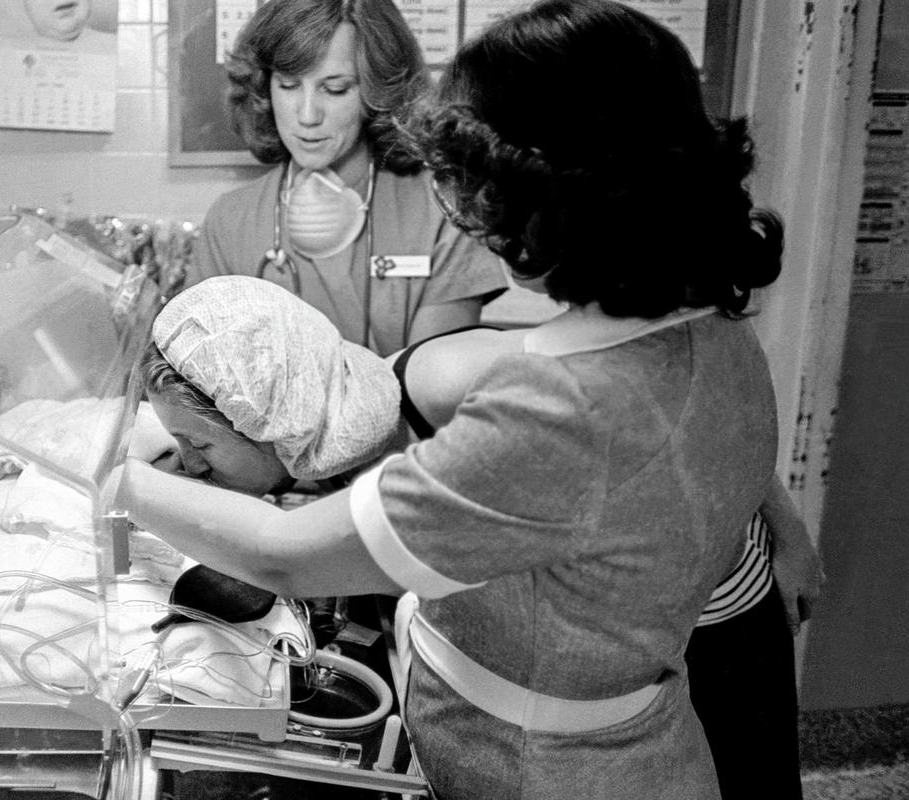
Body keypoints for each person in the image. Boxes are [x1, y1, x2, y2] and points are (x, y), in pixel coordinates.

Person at [121, 2, 786, 797]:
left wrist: (105, 473)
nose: (473, 214)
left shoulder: (560, 414)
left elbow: (280, 555)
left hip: (546, 771)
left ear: (553, 190)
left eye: (481, 186)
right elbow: (463, 367)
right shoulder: (706, 325)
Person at [184, 0, 508, 357]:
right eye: (289, 85)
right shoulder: (230, 222)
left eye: (335, 89)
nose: (307, 115)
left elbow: (432, 390)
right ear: (264, 88)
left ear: (378, 91)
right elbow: (203, 375)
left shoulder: (444, 212)